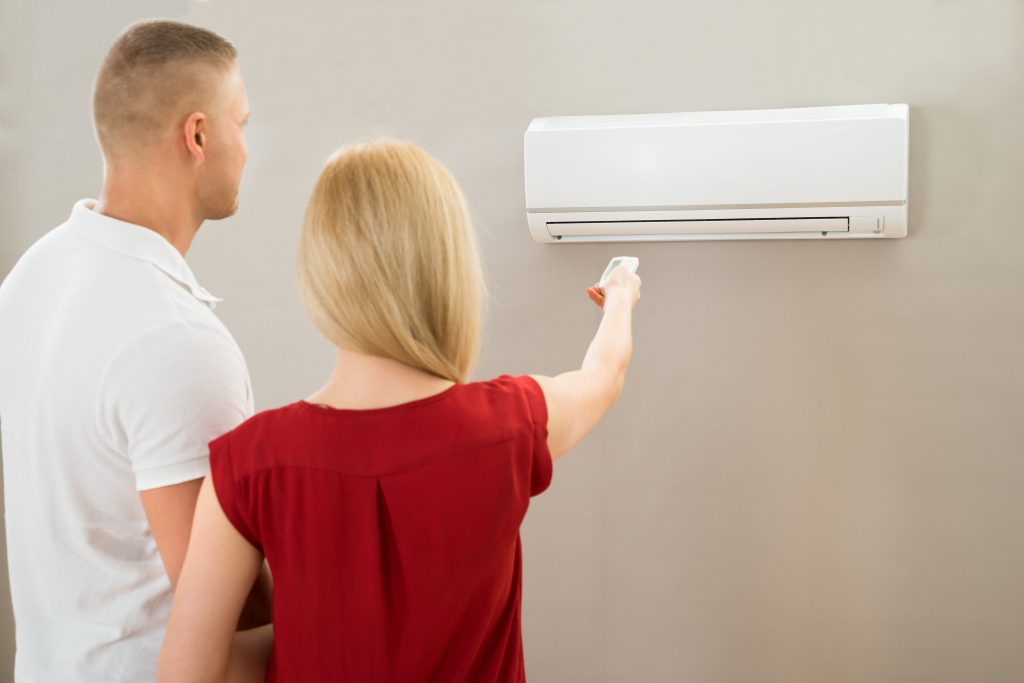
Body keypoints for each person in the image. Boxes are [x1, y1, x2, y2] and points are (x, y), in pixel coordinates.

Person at [157, 140, 641, 682]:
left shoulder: (247, 464)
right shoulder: (509, 425)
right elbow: (603, 377)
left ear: (323, 272)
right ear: (448, 269)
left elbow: (187, 674)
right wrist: (620, 296)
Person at [0, 20, 271, 682]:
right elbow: (232, 612)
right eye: (241, 123)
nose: (245, 147)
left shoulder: (30, 276)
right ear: (198, 135)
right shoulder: (175, 339)